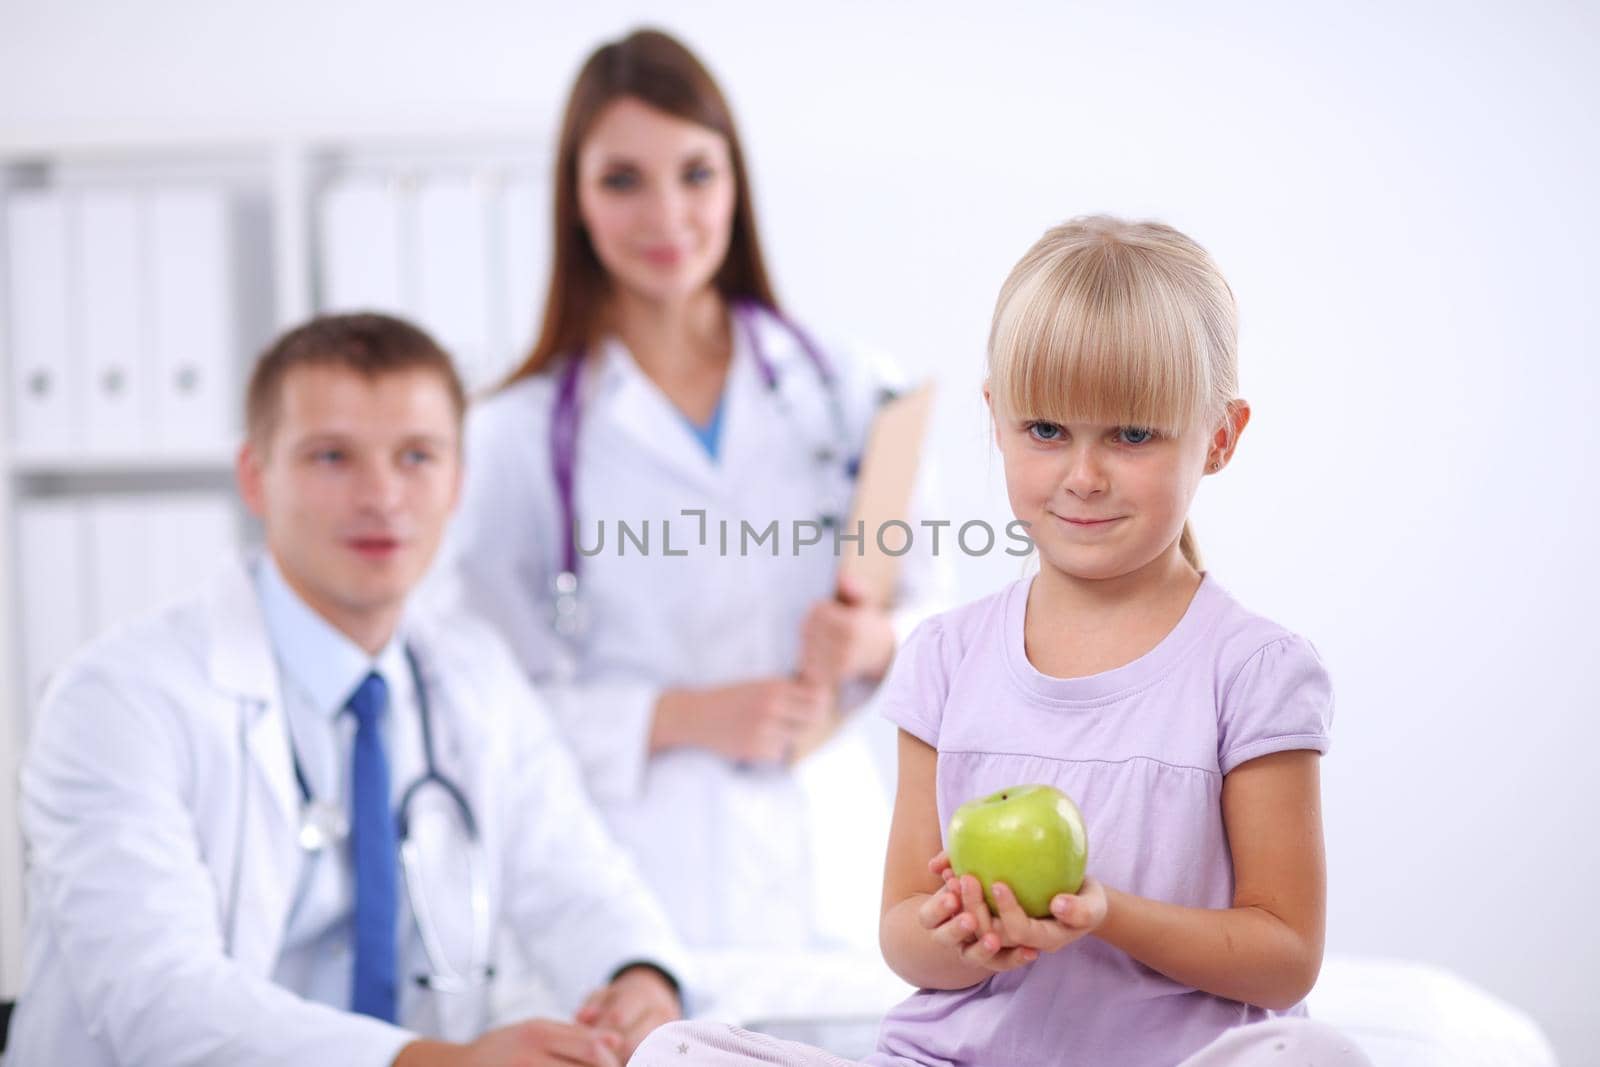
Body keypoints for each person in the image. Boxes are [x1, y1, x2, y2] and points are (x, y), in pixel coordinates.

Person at [629, 217, 1376, 1066]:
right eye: (1046, 430)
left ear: (1220, 437)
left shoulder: (1253, 671)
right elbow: (902, 933)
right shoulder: (947, 657)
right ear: (996, 417)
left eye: (1131, 435)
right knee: (670, 1053)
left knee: (1315, 1056)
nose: (1082, 475)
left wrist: (1103, 913)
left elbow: (1284, 957)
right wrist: (961, 935)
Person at [10, 314, 690, 1067]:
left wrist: (639, 978)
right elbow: (160, 1000)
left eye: (417, 456)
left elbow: (574, 877)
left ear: (458, 481)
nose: (382, 496)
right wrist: (437, 1063)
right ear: (254, 477)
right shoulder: (118, 701)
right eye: (331, 456)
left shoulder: (472, 673)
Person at [438, 28, 949, 958]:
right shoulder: (514, 435)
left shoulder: (849, 388)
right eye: (623, 179)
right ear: (576, 202)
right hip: (632, 878)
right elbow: (479, 700)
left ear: (736, 184)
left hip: (830, 863)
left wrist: (878, 640)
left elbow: (942, 628)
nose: (666, 213)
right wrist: (678, 715)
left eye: (696, 173)